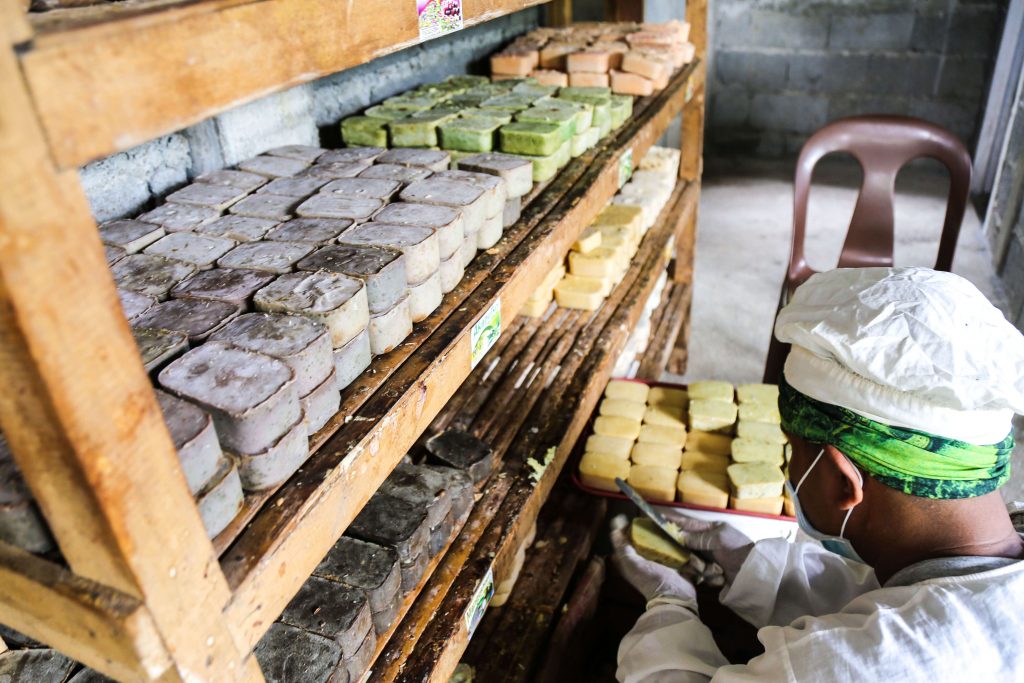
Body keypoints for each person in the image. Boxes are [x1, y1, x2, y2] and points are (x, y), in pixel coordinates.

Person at [612, 267, 1024, 682]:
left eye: (793, 450)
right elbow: (900, 604)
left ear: (843, 481)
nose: (790, 467)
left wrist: (668, 610)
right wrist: (752, 565)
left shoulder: (847, 667)